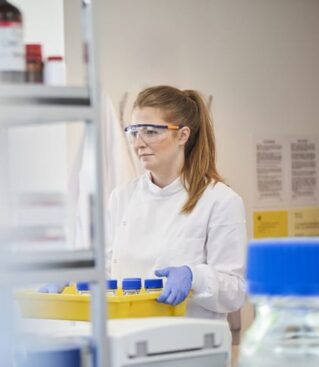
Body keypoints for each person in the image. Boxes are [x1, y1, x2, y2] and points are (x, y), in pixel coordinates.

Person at [42, 85, 247, 320]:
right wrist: (72, 278)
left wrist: (195, 277)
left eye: (150, 132)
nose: (138, 143)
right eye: (133, 131)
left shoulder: (219, 201)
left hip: (190, 344)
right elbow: (109, 271)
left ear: (182, 135)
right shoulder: (122, 196)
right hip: (129, 338)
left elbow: (235, 291)